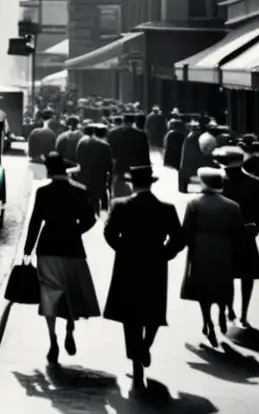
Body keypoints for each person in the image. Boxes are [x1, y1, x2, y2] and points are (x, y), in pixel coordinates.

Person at [102, 165, 185, 388]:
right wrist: (165, 254)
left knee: (130, 315)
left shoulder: (121, 205)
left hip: (128, 263)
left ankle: (136, 360)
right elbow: (179, 239)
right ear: (151, 184)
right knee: (154, 310)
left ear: (132, 183)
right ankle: (146, 345)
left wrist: (122, 249)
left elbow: (109, 233)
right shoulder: (166, 209)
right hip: (155, 263)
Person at [23, 152, 100, 363]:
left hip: (48, 246)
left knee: (50, 293)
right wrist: (76, 230)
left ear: (49, 169)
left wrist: (28, 248)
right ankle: (69, 329)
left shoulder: (43, 192)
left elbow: (35, 221)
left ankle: (52, 339)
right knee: (71, 291)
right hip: (73, 247)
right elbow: (90, 219)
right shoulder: (80, 191)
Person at [180, 167, 245, 346]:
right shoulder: (232, 206)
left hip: (201, 250)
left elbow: (186, 231)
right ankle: (222, 312)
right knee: (222, 285)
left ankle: (207, 321)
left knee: (203, 290)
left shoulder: (194, 204)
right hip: (224, 250)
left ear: (203, 183)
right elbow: (238, 233)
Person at [215, 146, 259, 327]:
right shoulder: (256, 183)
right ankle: (243, 312)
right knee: (247, 275)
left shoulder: (218, 182)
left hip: (224, 236)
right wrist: (258, 227)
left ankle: (229, 309)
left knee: (225, 276)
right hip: (246, 234)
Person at [75, 123, 112, 216]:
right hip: (99, 177)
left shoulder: (82, 143)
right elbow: (109, 164)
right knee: (102, 198)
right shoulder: (105, 145)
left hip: (84, 176)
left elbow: (78, 159)